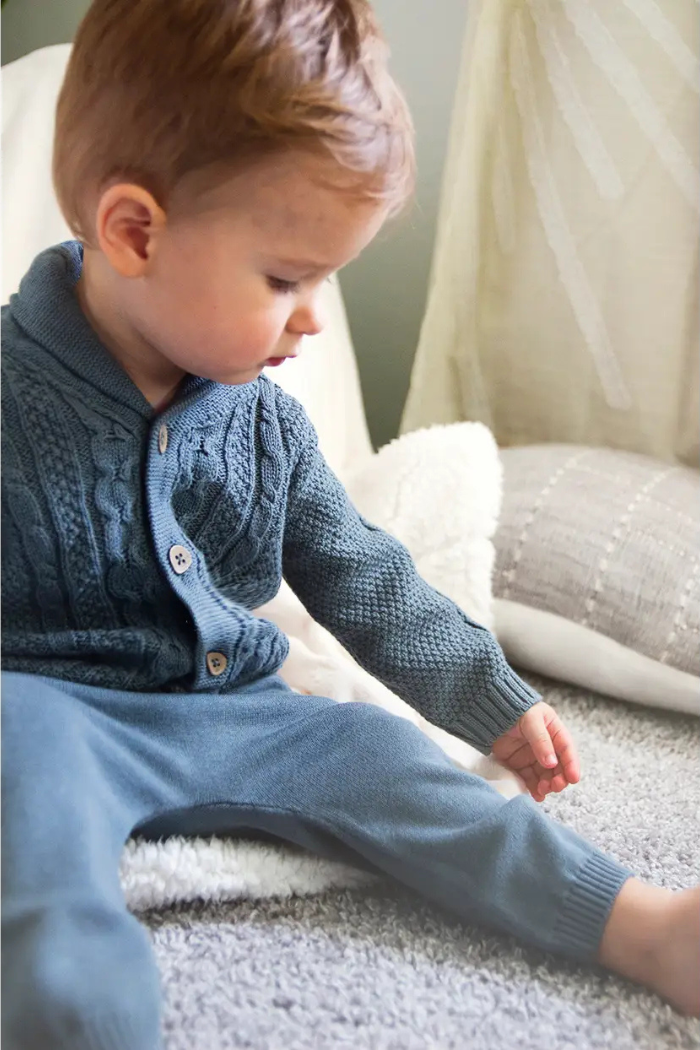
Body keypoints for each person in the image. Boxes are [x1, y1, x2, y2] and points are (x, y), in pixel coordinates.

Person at [2, 1, 698, 1047]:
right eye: (286, 278)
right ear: (135, 232)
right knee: (29, 812)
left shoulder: (268, 427)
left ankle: (644, 928)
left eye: (327, 276)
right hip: (44, 704)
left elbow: (362, 575)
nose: (315, 317)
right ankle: (77, 1010)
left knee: (377, 755)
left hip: (233, 709)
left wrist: (481, 695)